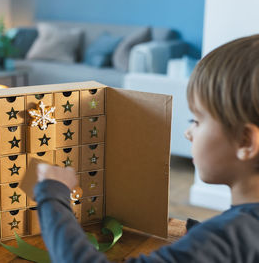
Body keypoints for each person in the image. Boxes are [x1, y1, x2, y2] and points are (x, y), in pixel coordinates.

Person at [33, 35, 259, 262]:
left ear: (245, 142)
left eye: (197, 121)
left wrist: (53, 194)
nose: (188, 133)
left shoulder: (224, 239)